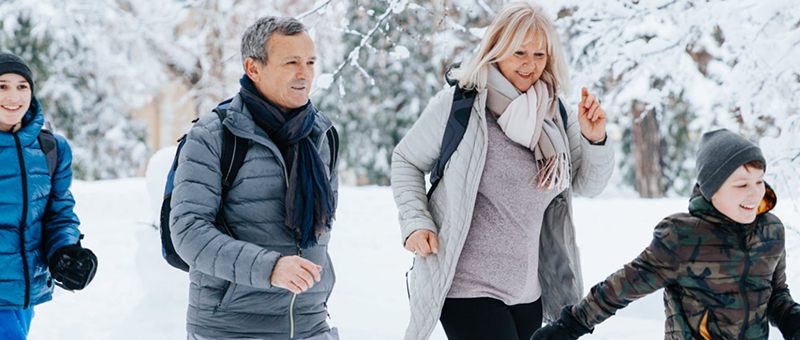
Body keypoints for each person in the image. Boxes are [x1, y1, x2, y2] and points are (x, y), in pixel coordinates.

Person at [390, 1, 615, 340]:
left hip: (528, 293)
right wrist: (416, 222)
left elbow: (587, 184)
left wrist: (594, 139)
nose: (530, 66)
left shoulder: (555, 112)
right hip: (467, 287)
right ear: (496, 48)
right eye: (519, 53)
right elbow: (405, 160)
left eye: (540, 56)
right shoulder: (461, 104)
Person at [532, 129, 800, 340]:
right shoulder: (682, 237)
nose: (755, 193)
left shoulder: (770, 231)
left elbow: (775, 294)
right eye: (741, 184)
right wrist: (571, 325)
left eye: (759, 181)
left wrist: (793, 322)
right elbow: (622, 286)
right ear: (712, 190)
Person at [169, 16, 339, 340]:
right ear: (253, 68)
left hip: (310, 324)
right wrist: (270, 268)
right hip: (231, 328)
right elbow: (189, 232)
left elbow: (322, 230)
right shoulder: (213, 136)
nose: (305, 74)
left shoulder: (322, 135)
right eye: (291, 62)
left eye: (310, 61)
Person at [0, 52, 97, 340]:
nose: (13, 96)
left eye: (22, 86)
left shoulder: (50, 149)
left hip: (23, 295)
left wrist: (65, 252)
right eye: (2, 86)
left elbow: (58, 215)